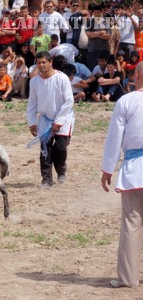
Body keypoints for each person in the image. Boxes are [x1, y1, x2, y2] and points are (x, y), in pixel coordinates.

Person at [101, 61, 143, 289]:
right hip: (135, 165)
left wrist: (108, 169)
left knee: (132, 223)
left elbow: (114, 139)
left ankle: (128, 278)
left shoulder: (126, 101)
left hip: (136, 169)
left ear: (135, 74)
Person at [26, 51, 75, 188]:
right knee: (45, 150)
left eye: (44, 62)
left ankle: (61, 171)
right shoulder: (34, 81)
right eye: (39, 62)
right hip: (45, 119)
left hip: (63, 118)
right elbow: (32, 103)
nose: (41, 65)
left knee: (60, 148)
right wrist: (31, 122)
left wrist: (59, 121)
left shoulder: (62, 78)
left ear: (50, 62)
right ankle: (46, 179)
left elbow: (69, 101)